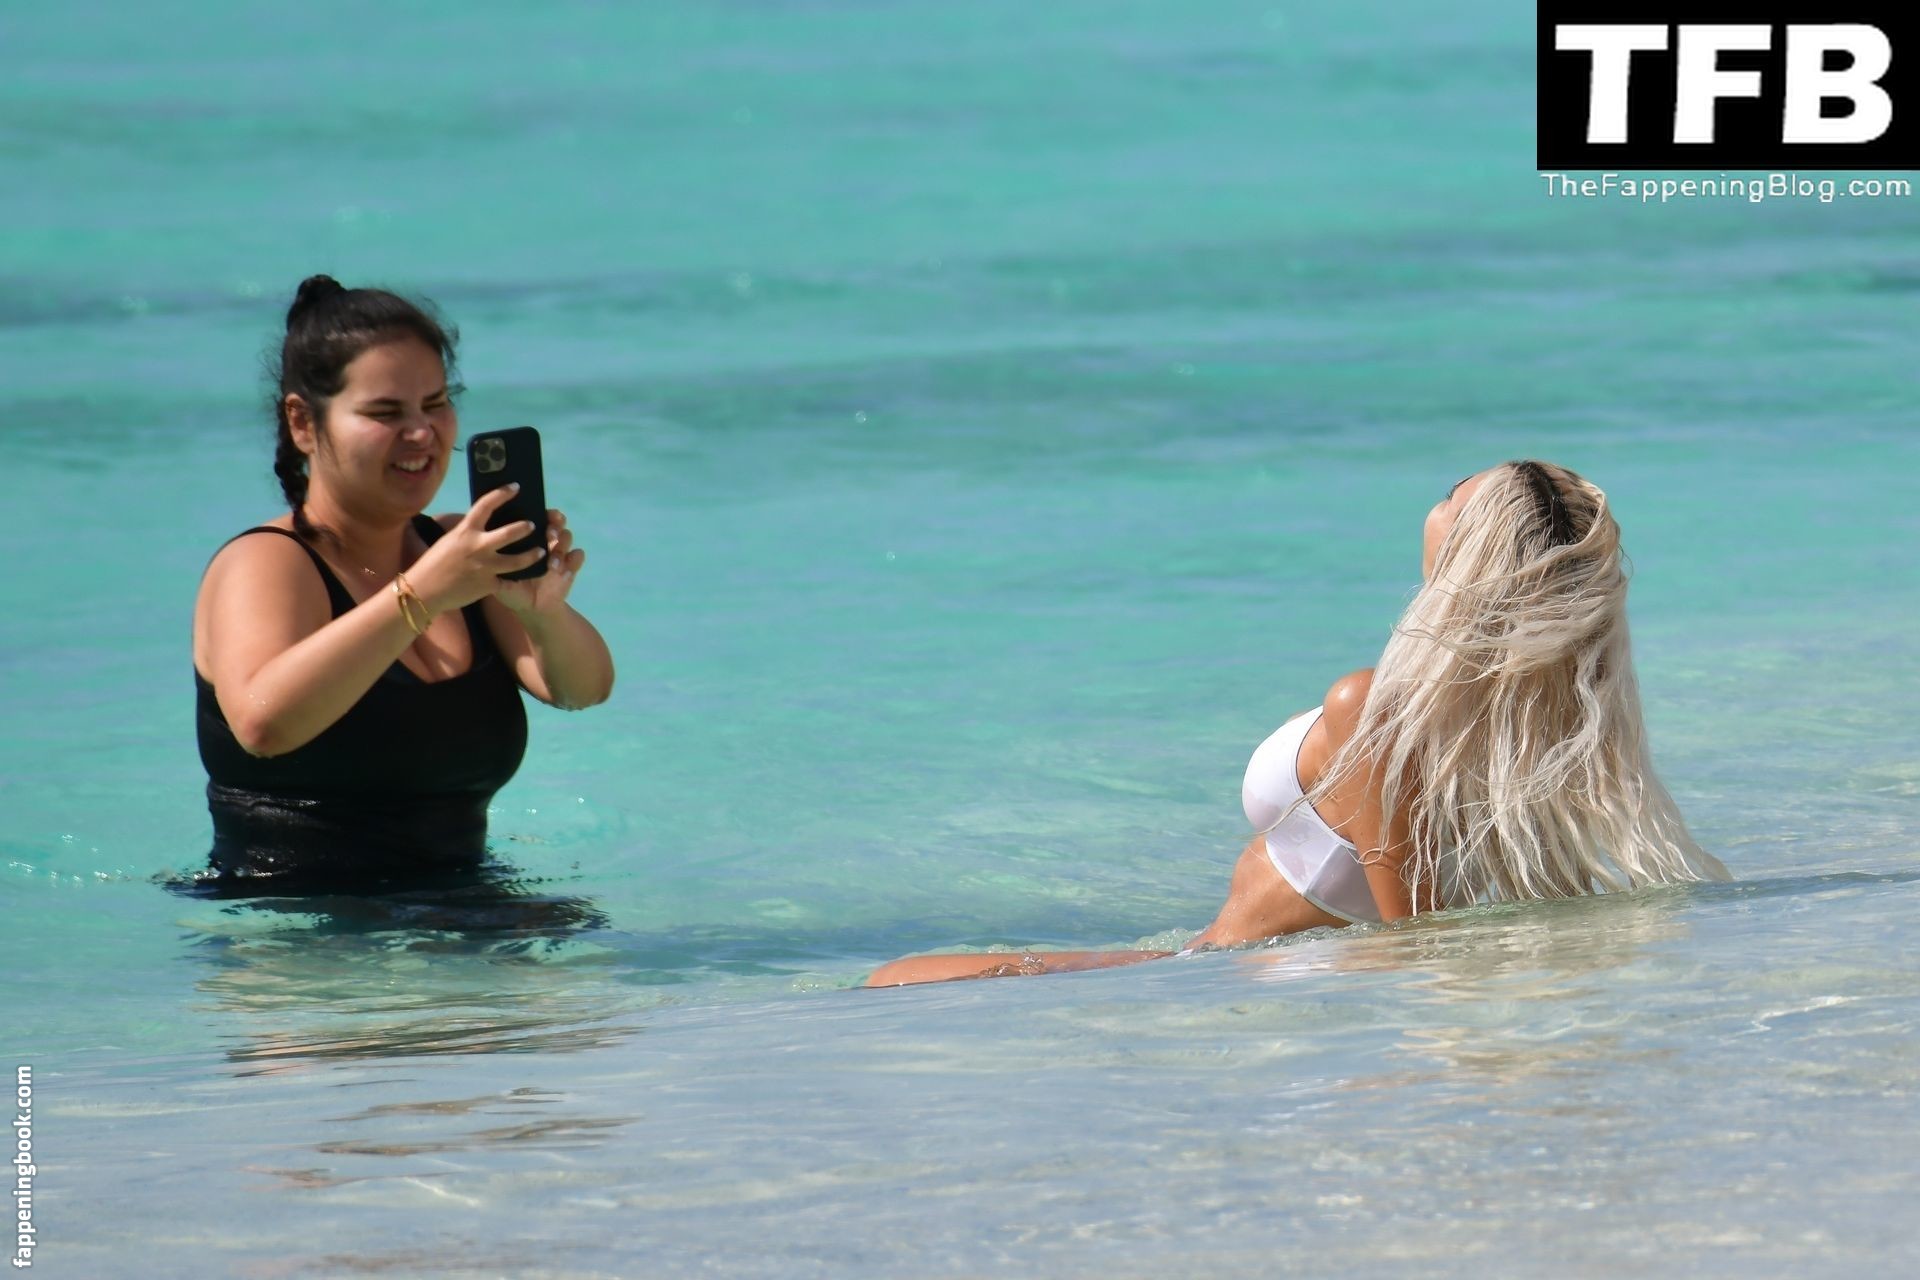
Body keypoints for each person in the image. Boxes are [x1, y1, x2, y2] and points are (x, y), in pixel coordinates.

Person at [866, 460, 1730, 986]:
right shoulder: (1541, 749)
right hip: (1259, 978)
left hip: (1230, 976)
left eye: (1449, 499)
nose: (1431, 510)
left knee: (894, 982)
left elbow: (1420, 939)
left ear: (1470, 555)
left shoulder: (1372, 712)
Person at [188, 275, 615, 890]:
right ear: (303, 422)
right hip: (290, 915)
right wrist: (423, 594)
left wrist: (542, 612)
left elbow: (583, 690)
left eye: (436, 403)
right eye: (385, 413)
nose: (422, 433)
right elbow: (263, 725)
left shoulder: (457, 551)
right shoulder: (266, 562)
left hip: (460, 901)